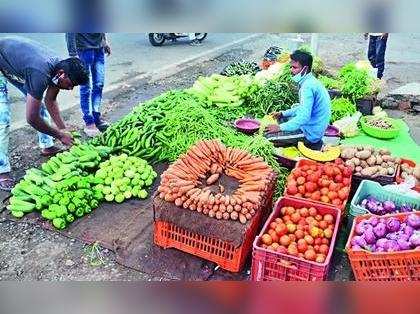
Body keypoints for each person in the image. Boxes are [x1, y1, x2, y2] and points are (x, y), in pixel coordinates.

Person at [0, 36, 89, 190]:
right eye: (71, 84)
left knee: (39, 106)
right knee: (3, 118)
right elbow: (31, 119)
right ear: (62, 74)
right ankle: (2, 170)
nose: (70, 89)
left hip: (21, 64)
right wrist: (60, 136)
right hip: (3, 58)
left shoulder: (58, 71)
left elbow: (50, 101)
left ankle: (47, 146)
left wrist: (63, 129)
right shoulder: (41, 73)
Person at [265, 50, 331, 151]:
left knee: (268, 137)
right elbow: (303, 107)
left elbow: (304, 117)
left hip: (310, 133)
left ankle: (312, 144)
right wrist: (283, 113)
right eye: (291, 67)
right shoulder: (311, 81)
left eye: (295, 68)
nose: (291, 70)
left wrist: (280, 128)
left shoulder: (307, 87)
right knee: (280, 119)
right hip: (313, 125)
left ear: (305, 69)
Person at [65, 33, 111, 136]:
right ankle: (89, 121)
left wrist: (104, 41)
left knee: (99, 84)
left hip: (98, 47)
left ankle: (96, 117)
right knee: (85, 86)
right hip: (84, 48)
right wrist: (73, 54)